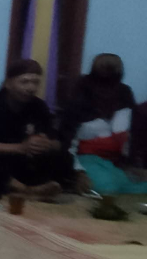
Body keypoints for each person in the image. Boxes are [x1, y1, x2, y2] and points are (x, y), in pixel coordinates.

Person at [0, 59, 66, 202]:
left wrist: (47, 144)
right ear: (8, 83)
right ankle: (25, 189)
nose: (31, 88)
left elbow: (56, 142)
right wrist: (19, 148)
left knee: (63, 156)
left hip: (23, 162)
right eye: (24, 82)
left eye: (35, 82)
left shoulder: (39, 106)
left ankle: (30, 187)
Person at [61, 54, 147, 195]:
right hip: (86, 160)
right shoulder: (82, 93)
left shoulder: (124, 93)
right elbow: (67, 143)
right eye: (104, 67)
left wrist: (135, 166)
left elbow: (132, 138)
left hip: (117, 164)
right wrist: (78, 173)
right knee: (106, 189)